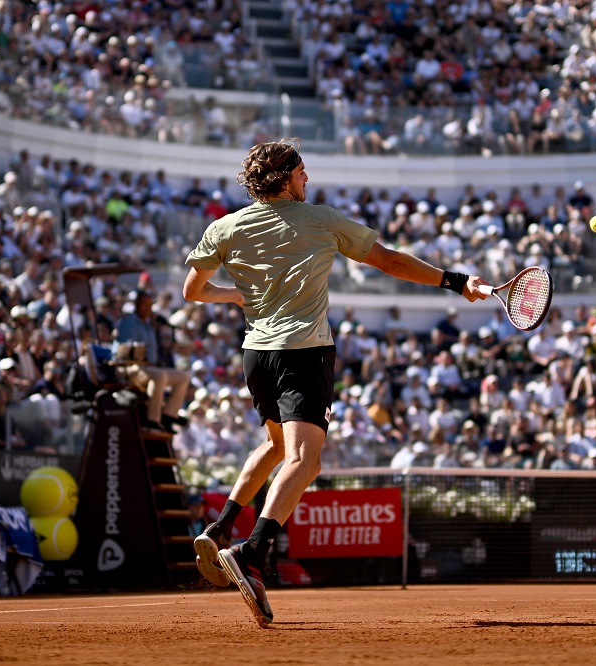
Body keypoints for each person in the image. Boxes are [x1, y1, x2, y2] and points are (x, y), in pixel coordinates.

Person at [181, 138, 487, 626]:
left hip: (256, 356)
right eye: (302, 171)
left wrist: (238, 297)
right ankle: (252, 552)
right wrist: (456, 281)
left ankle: (220, 527)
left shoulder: (225, 226)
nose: (308, 178)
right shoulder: (320, 219)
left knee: (278, 445)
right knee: (306, 459)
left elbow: (193, 291)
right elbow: (389, 260)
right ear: (285, 177)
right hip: (304, 354)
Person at [115, 291, 192, 431]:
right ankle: (152, 419)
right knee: (160, 376)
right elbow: (125, 350)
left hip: (149, 368)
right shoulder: (129, 322)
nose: (147, 308)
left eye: (149, 305)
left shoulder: (148, 325)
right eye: (144, 304)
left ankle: (169, 415)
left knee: (184, 376)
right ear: (136, 304)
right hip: (131, 368)